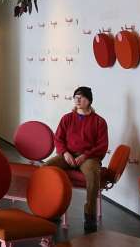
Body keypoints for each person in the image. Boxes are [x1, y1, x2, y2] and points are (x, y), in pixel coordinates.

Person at [44, 86, 108, 233]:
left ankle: (90, 217)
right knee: (46, 168)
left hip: (89, 157)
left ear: (89, 101)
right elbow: (58, 138)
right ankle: (52, 208)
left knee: (93, 175)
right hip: (68, 154)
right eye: (76, 97)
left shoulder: (99, 121)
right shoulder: (67, 118)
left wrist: (85, 155)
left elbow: (102, 145)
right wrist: (65, 153)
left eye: (82, 97)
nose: (78, 100)